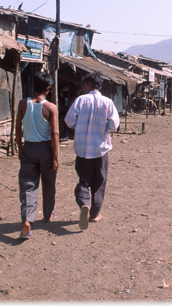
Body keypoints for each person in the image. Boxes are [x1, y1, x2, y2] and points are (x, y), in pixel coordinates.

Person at [65, 72, 120, 230]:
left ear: (88, 85)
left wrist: (80, 126)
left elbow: (69, 121)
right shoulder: (108, 102)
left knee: (84, 180)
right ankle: (94, 214)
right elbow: (114, 125)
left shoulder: (81, 100)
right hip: (100, 149)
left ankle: (84, 203)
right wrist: (104, 127)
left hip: (82, 149)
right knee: (99, 182)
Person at [16, 71, 59, 239]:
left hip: (29, 149)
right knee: (49, 184)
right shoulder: (50, 107)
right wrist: (54, 158)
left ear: (33, 86)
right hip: (46, 150)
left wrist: (20, 148)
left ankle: (27, 220)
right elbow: (55, 133)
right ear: (48, 88)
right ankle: (48, 215)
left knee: (28, 185)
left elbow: (17, 128)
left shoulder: (22, 104)